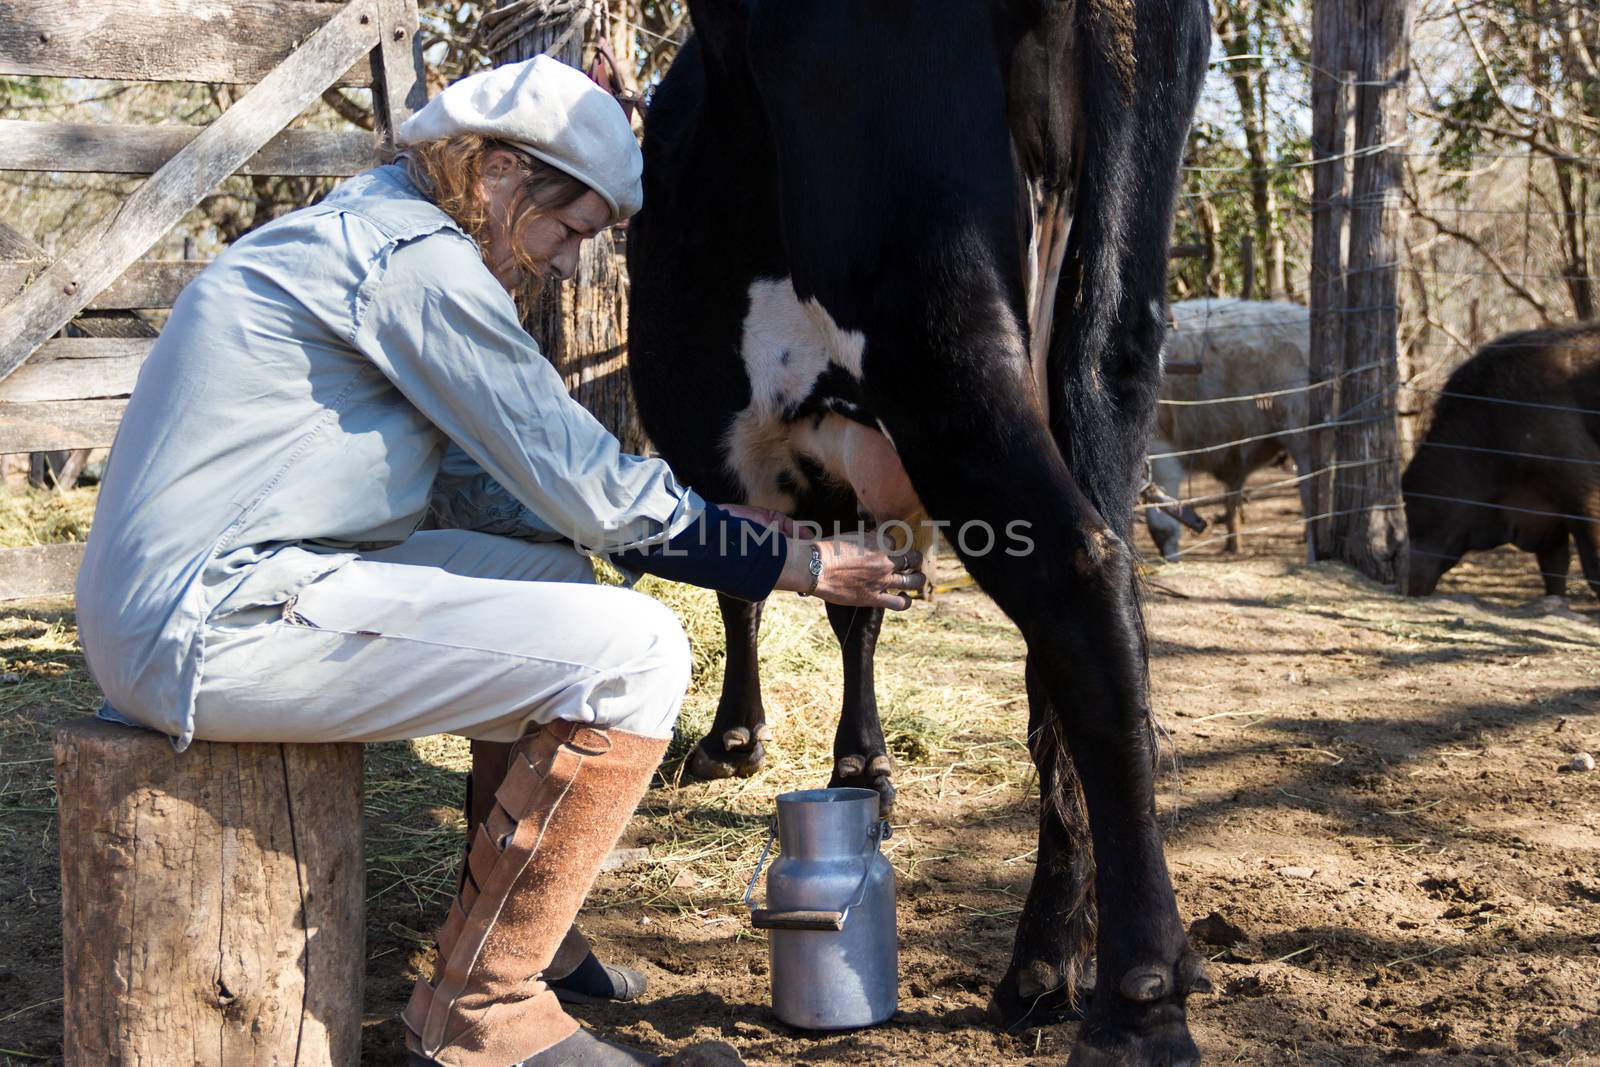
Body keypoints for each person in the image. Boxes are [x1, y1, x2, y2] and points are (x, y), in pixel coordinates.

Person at [74, 57, 922, 1067]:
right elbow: (581, 481)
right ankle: (485, 1009)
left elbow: (505, 492)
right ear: (498, 174)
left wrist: (725, 527)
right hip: (209, 618)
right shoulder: (416, 267)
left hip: (246, 580)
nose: (567, 262)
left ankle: (530, 938)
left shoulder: (380, 232)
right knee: (639, 652)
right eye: (568, 229)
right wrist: (791, 565)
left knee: (552, 571)